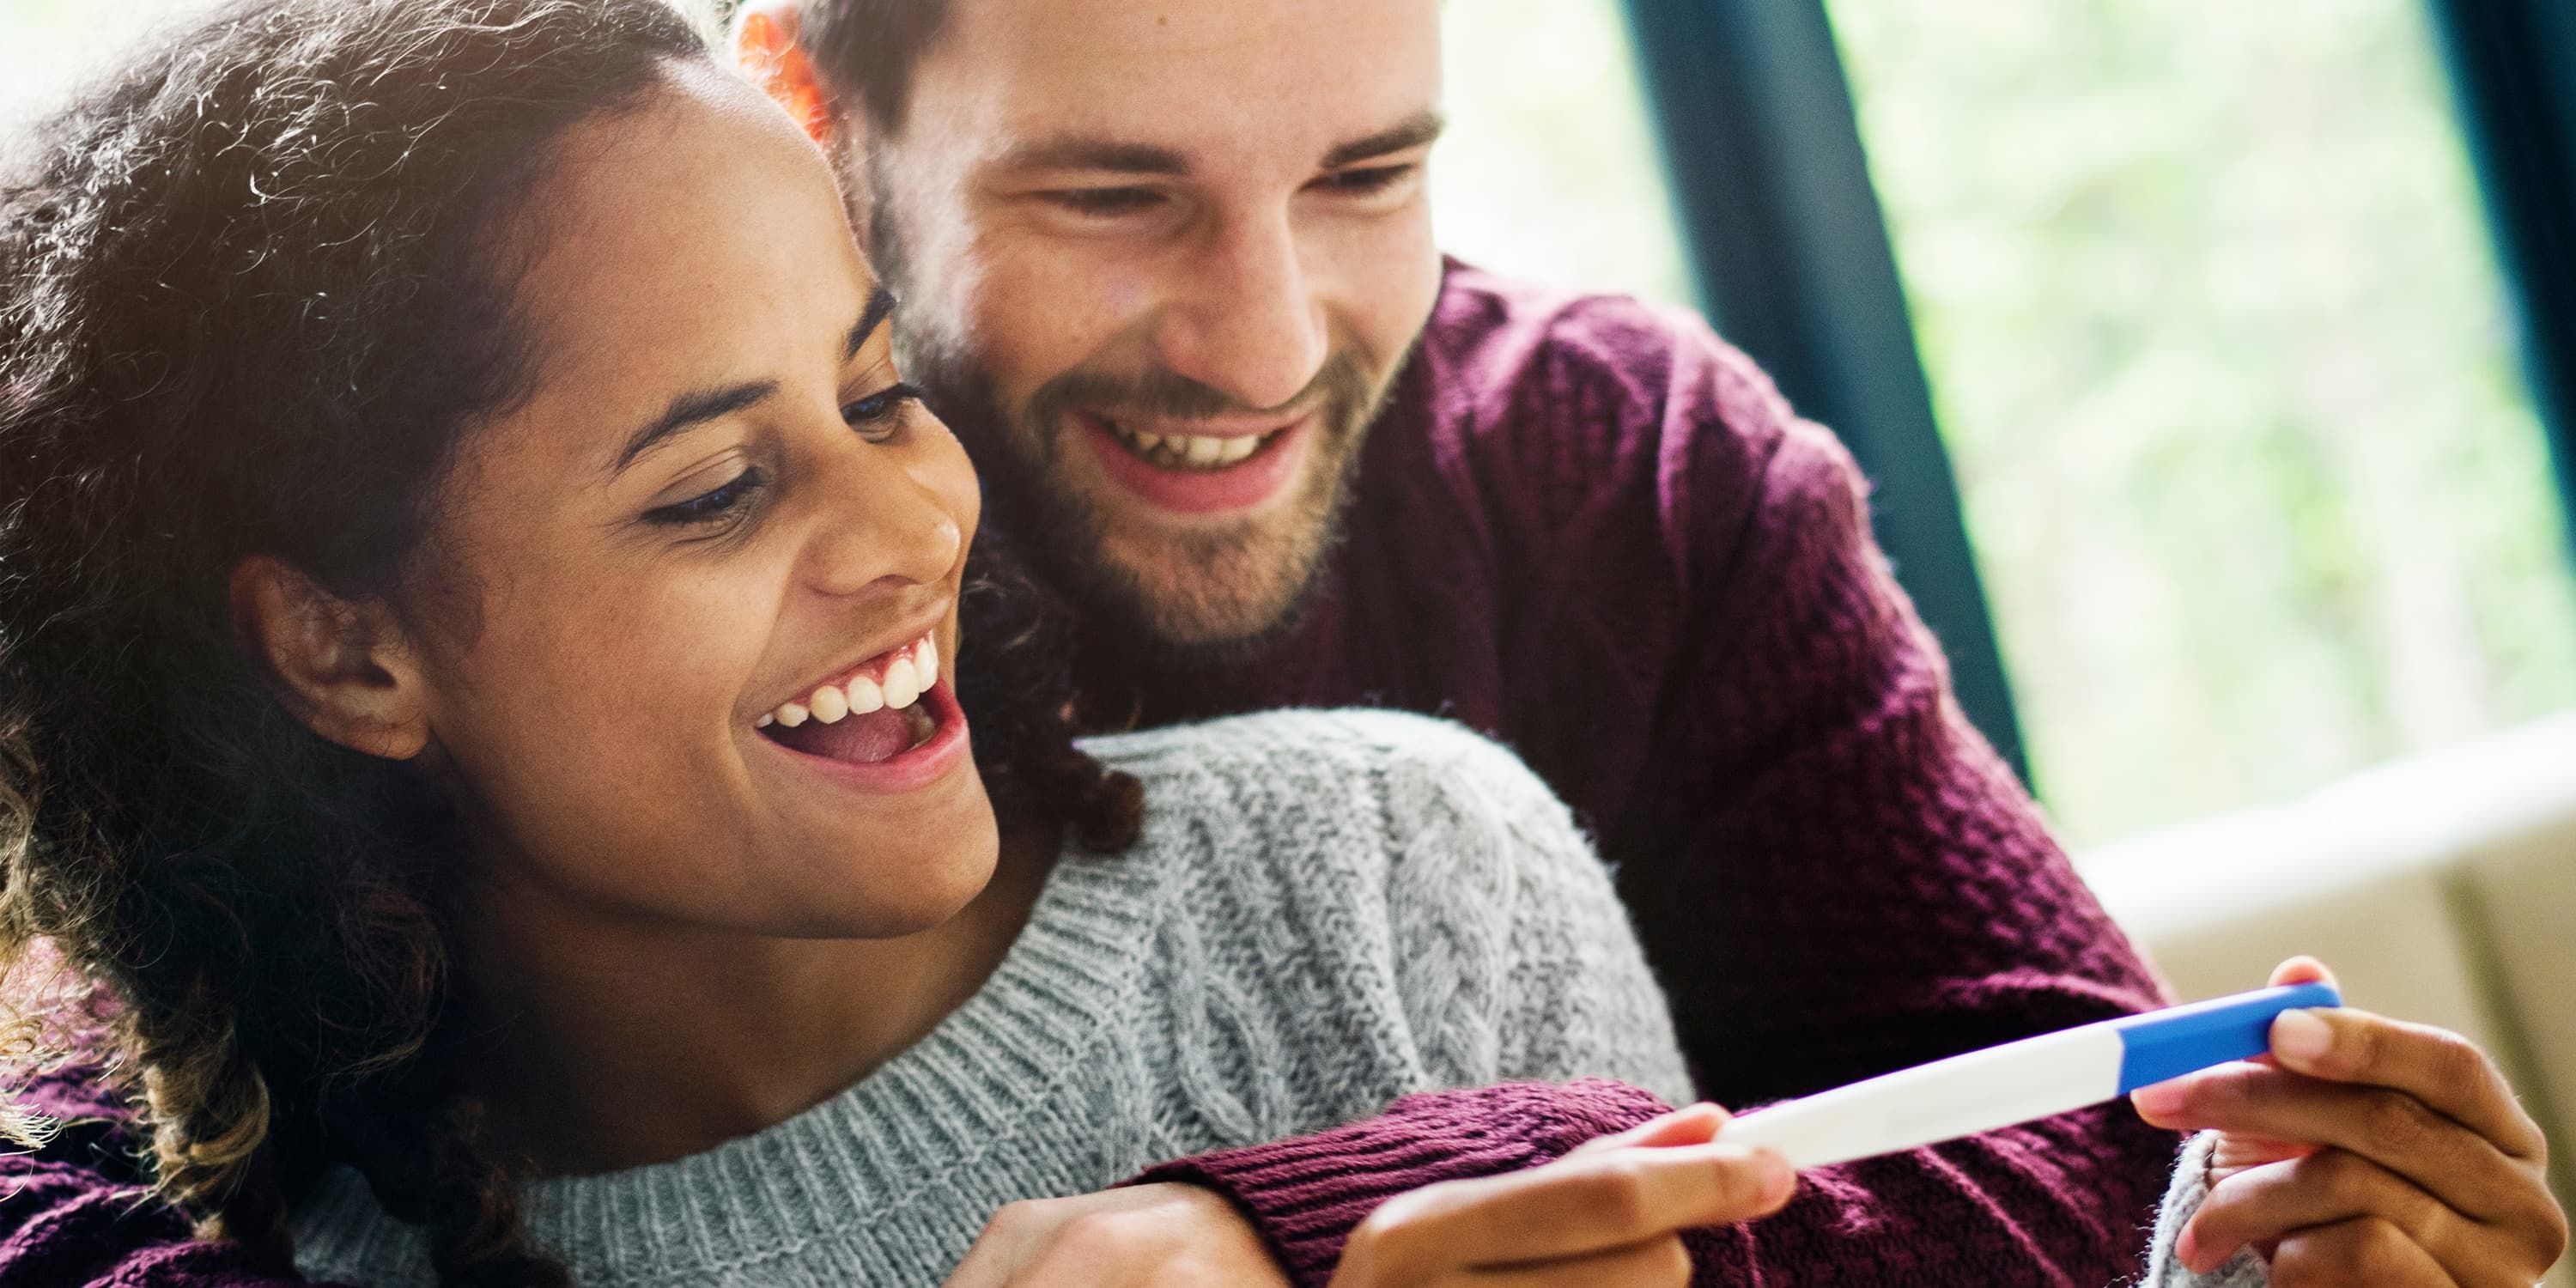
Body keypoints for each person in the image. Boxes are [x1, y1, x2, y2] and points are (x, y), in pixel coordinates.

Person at [1, 2, 2561, 1286]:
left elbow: (2056, 1112)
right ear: (817, 111)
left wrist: (1294, 1218)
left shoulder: (1581, 531)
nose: (1261, 339)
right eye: (1115, 197)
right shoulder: (371, 856)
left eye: (1369, 176)